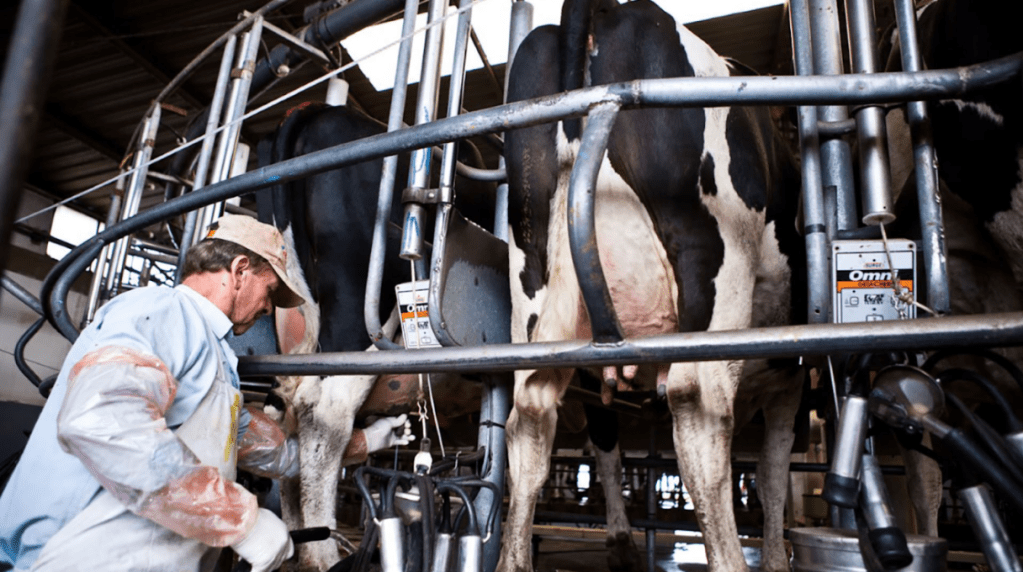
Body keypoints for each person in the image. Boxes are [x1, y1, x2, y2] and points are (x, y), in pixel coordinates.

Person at [0, 215, 411, 572]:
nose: (269, 310)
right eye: (269, 293)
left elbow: (276, 455)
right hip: (71, 555)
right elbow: (103, 423)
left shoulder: (215, 359)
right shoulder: (161, 313)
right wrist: (239, 519)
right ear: (239, 269)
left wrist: (367, 441)